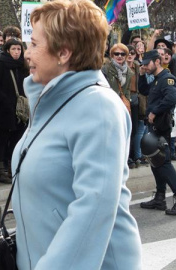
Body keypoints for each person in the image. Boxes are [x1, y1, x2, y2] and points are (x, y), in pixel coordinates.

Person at [12, 0, 142, 268]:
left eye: (35, 44)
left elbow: (93, 207)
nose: (27, 53)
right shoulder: (50, 100)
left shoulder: (98, 106)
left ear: (64, 53)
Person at [139, 50, 176, 215]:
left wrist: (155, 112)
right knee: (155, 161)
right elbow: (143, 90)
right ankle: (160, 197)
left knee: (163, 162)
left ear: (157, 61)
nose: (144, 66)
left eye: (147, 63)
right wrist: (141, 74)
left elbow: (172, 99)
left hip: (161, 127)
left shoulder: (167, 79)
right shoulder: (157, 79)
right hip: (154, 127)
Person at [0, 38, 28, 183]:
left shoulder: (23, 65)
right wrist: (5, 101)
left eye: (19, 49)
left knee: (17, 139)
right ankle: (0, 170)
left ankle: (13, 169)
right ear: (7, 50)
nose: (17, 52)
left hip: (21, 110)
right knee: (3, 138)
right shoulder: (2, 64)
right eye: (13, 49)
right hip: (5, 109)